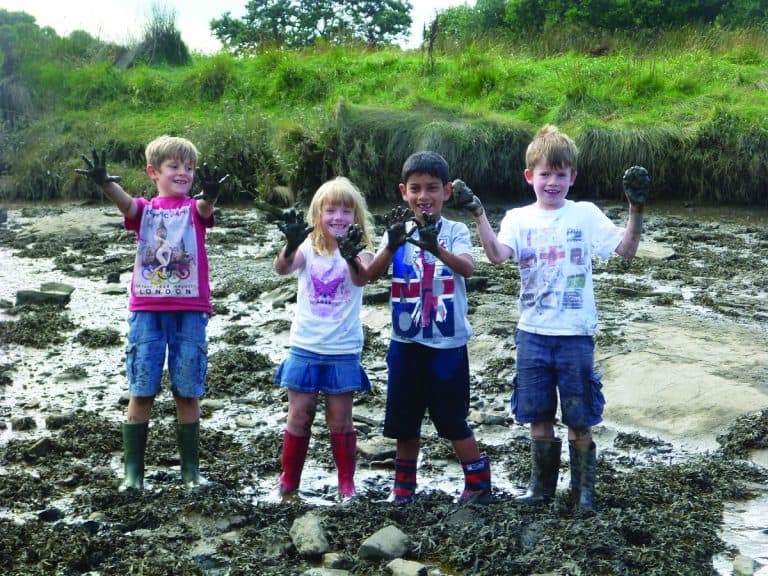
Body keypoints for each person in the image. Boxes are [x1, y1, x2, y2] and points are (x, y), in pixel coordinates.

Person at [455, 124, 649, 512]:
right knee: (537, 416)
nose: (552, 182)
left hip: (576, 334)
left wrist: (636, 207)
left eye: (561, 175)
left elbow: (626, 249)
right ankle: (541, 490)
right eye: (545, 174)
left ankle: (583, 494)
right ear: (530, 177)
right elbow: (496, 256)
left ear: (572, 177)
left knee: (579, 418)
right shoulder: (517, 218)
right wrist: (477, 213)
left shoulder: (585, 214)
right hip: (532, 334)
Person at [75, 137, 228, 490]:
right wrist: (105, 182)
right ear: (153, 172)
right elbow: (126, 205)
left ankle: (191, 474)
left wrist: (210, 194)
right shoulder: (146, 210)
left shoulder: (193, 209)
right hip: (146, 311)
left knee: (187, 390)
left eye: (189, 168)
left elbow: (205, 210)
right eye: (174, 166)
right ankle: (133, 476)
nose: (183, 173)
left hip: (190, 311)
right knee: (142, 388)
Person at [353, 151, 493, 506]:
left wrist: (438, 249)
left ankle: (478, 483)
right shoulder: (398, 230)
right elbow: (371, 276)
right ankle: (403, 487)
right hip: (406, 342)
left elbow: (468, 269)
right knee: (405, 418)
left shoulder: (456, 230)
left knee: (452, 417)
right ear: (403, 192)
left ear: (447, 191)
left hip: (447, 344)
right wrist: (392, 244)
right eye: (415, 189)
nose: (423, 196)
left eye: (432, 188)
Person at [273, 176, 375, 501]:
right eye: (331, 210)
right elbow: (282, 269)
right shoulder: (307, 248)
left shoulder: (363, 252)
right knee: (299, 415)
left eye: (346, 211)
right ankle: (288, 483)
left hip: (342, 350)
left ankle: (347, 485)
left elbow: (362, 278)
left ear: (356, 216)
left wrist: (349, 255)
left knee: (340, 420)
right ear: (318, 214)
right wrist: (289, 245)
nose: (338, 218)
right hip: (304, 347)